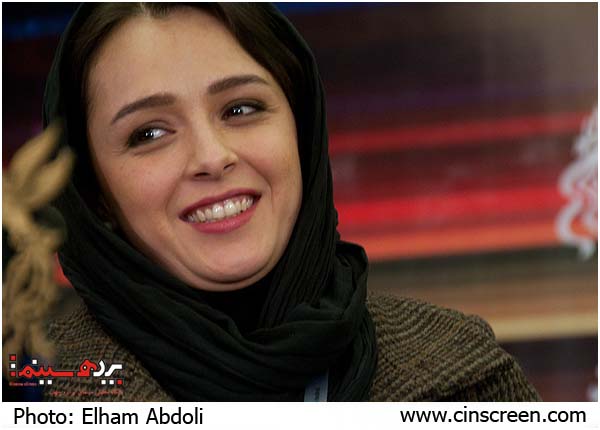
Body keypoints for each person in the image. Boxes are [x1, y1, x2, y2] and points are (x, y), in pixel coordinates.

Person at [41, 3, 540, 401]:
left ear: (301, 130)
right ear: (91, 192)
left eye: (241, 108)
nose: (212, 157)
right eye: (149, 133)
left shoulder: (466, 373)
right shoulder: (33, 390)